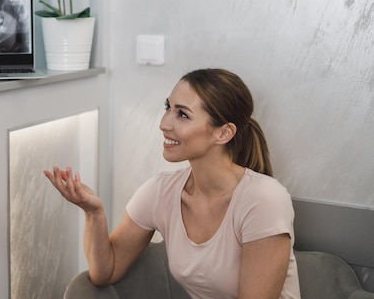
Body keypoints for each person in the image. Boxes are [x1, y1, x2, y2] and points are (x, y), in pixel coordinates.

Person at [44, 68, 301, 299]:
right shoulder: (161, 193)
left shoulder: (264, 200)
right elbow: (105, 273)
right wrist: (93, 212)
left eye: (183, 115)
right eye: (168, 107)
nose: (164, 123)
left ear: (223, 133)